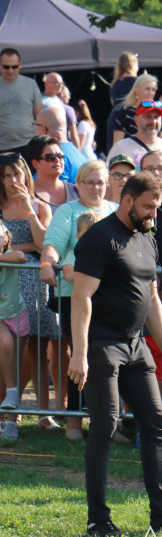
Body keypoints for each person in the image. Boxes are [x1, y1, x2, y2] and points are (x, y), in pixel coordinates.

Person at [68, 172, 162, 537]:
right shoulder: (99, 238)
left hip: (136, 344)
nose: (152, 214)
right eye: (147, 206)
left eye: (157, 207)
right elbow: (81, 298)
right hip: (102, 344)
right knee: (104, 427)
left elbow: (152, 297)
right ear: (127, 199)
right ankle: (98, 519)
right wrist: (79, 354)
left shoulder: (147, 236)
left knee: (156, 422)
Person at [40, 161, 119, 441]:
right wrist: (47, 263)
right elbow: (53, 243)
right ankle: (74, 424)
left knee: (109, 360)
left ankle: (108, 423)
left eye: (100, 182)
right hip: (73, 296)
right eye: (90, 182)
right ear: (79, 185)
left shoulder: (114, 211)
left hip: (109, 297)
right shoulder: (68, 211)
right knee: (79, 358)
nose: (96, 187)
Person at [0, 152, 58, 429]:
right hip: (5, 282)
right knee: (7, 348)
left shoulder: (38, 205)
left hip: (35, 282)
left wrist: (28, 211)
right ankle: (7, 413)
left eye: (17, 174)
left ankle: (44, 414)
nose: (14, 180)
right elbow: (31, 246)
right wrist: (26, 249)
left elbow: (44, 244)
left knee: (38, 347)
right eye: (7, 175)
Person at [107, 100, 162, 201]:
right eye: (148, 117)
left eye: (156, 117)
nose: (153, 122)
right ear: (136, 120)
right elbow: (108, 183)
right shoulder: (121, 147)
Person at [0, 219, 28, 439]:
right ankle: (10, 395)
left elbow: (20, 257)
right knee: (6, 346)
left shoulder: (10, 253)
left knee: (12, 366)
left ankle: (11, 422)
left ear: (6, 238)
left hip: (16, 314)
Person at [0, 48, 42, 153]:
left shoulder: (31, 84)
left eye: (14, 67)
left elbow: (40, 116)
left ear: (20, 64)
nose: (10, 70)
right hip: (2, 146)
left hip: (28, 143)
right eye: (6, 67)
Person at [35, 107, 87, 182]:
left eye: (36, 125)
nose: (34, 130)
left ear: (44, 129)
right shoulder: (77, 153)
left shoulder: (53, 157)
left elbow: (55, 191)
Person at [27, 135, 79, 210]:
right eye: (50, 157)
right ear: (35, 163)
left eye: (60, 156)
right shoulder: (27, 195)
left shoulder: (77, 191)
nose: (57, 160)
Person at [110, 74, 160, 145]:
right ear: (136, 90)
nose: (150, 93)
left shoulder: (157, 112)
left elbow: (161, 140)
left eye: (153, 89)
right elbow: (117, 144)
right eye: (147, 89)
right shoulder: (124, 114)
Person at [40, 72, 80, 149]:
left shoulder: (57, 100)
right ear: (47, 83)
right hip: (48, 145)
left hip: (61, 144)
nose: (61, 86)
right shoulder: (41, 101)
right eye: (57, 83)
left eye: (62, 83)